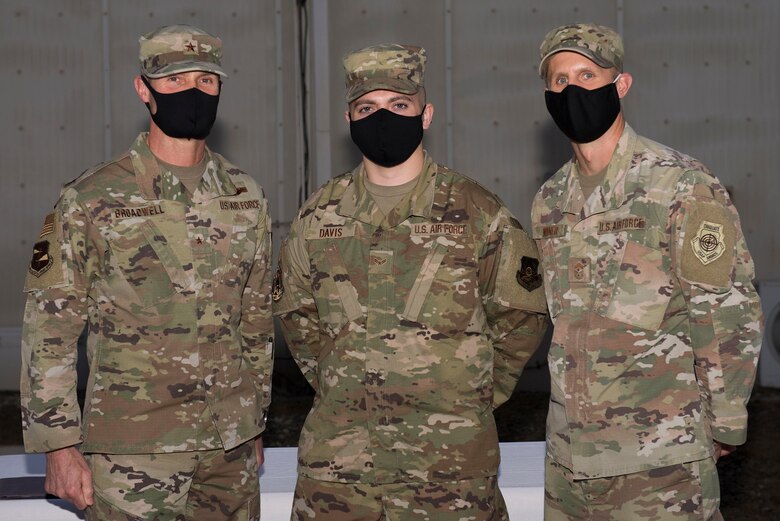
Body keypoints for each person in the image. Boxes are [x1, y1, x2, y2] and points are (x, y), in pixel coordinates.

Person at [273, 43, 548, 520]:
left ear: (426, 114)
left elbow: (522, 315)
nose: (383, 118)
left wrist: (470, 392)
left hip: (450, 466)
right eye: (368, 108)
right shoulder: (317, 216)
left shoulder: (476, 210)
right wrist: (341, 384)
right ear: (349, 119)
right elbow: (298, 320)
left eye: (399, 105)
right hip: (341, 470)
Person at [20, 24, 273, 520]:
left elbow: (256, 315)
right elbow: (49, 326)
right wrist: (57, 446)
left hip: (229, 449)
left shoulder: (245, 195)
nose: (193, 92)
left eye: (205, 80)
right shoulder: (91, 197)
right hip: (134, 448)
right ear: (144, 88)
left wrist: (253, 419)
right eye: (176, 81)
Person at [531, 23, 763, 520]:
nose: (573, 89)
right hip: (569, 461)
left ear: (621, 85)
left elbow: (725, 312)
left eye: (588, 75)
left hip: (660, 459)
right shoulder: (550, 200)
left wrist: (723, 422)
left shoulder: (679, 185)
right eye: (559, 80)